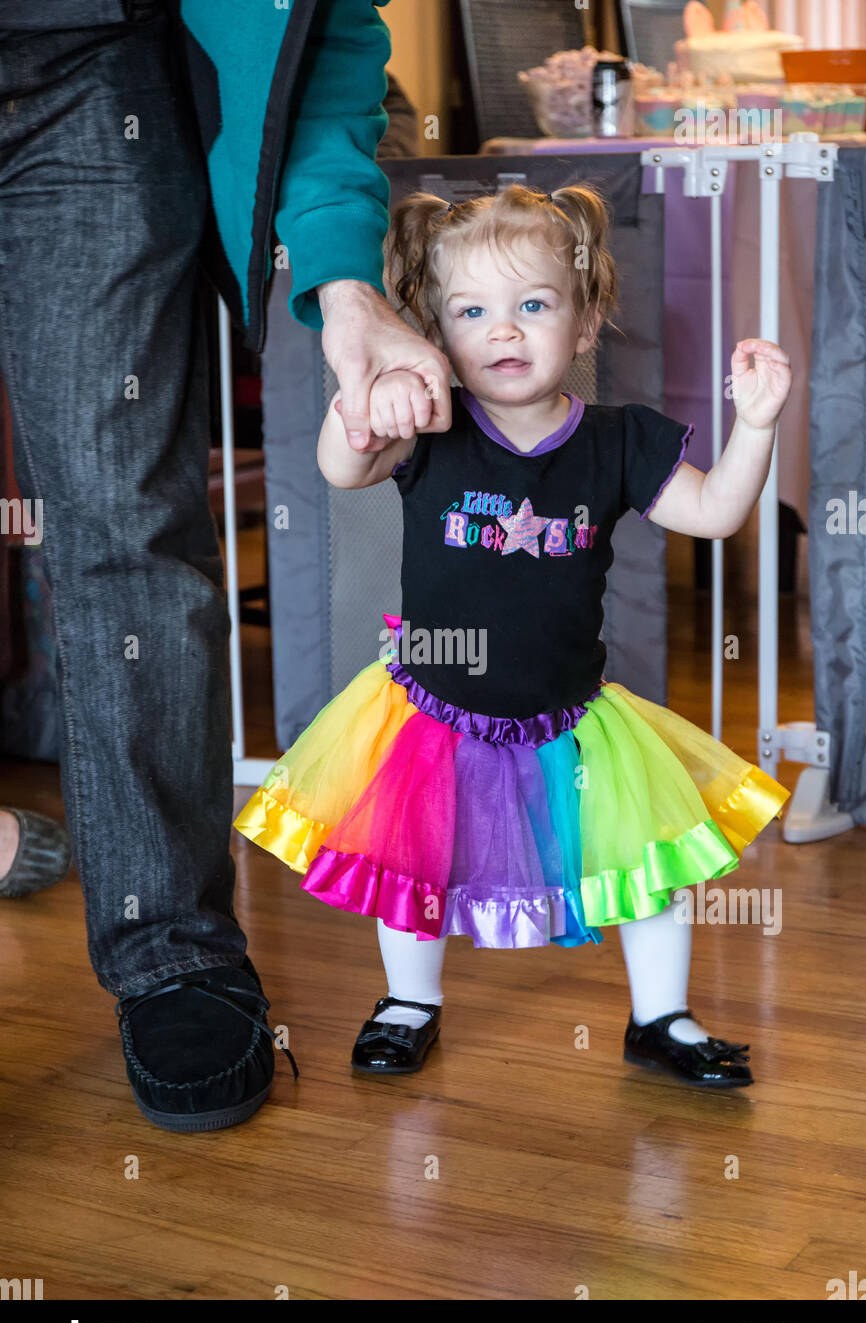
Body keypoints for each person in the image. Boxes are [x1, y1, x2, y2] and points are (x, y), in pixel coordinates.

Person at [0, 0, 450, 1133]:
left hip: (91, 80)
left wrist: (347, 278)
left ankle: (172, 951)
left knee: (122, 515)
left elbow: (314, 26)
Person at [235, 182, 792, 1090]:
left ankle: (661, 1018)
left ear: (584, 322)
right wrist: (361, 398)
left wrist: (757, 426)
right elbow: (343, 472)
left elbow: (719, 511)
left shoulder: (621, 441)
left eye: (533, 306)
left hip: (569, 717)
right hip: (433, 709)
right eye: (473, 312)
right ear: (439, 331)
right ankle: (410, 1003)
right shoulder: (434, 423)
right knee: (409, 860)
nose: (503, 331)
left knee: (650, 866)